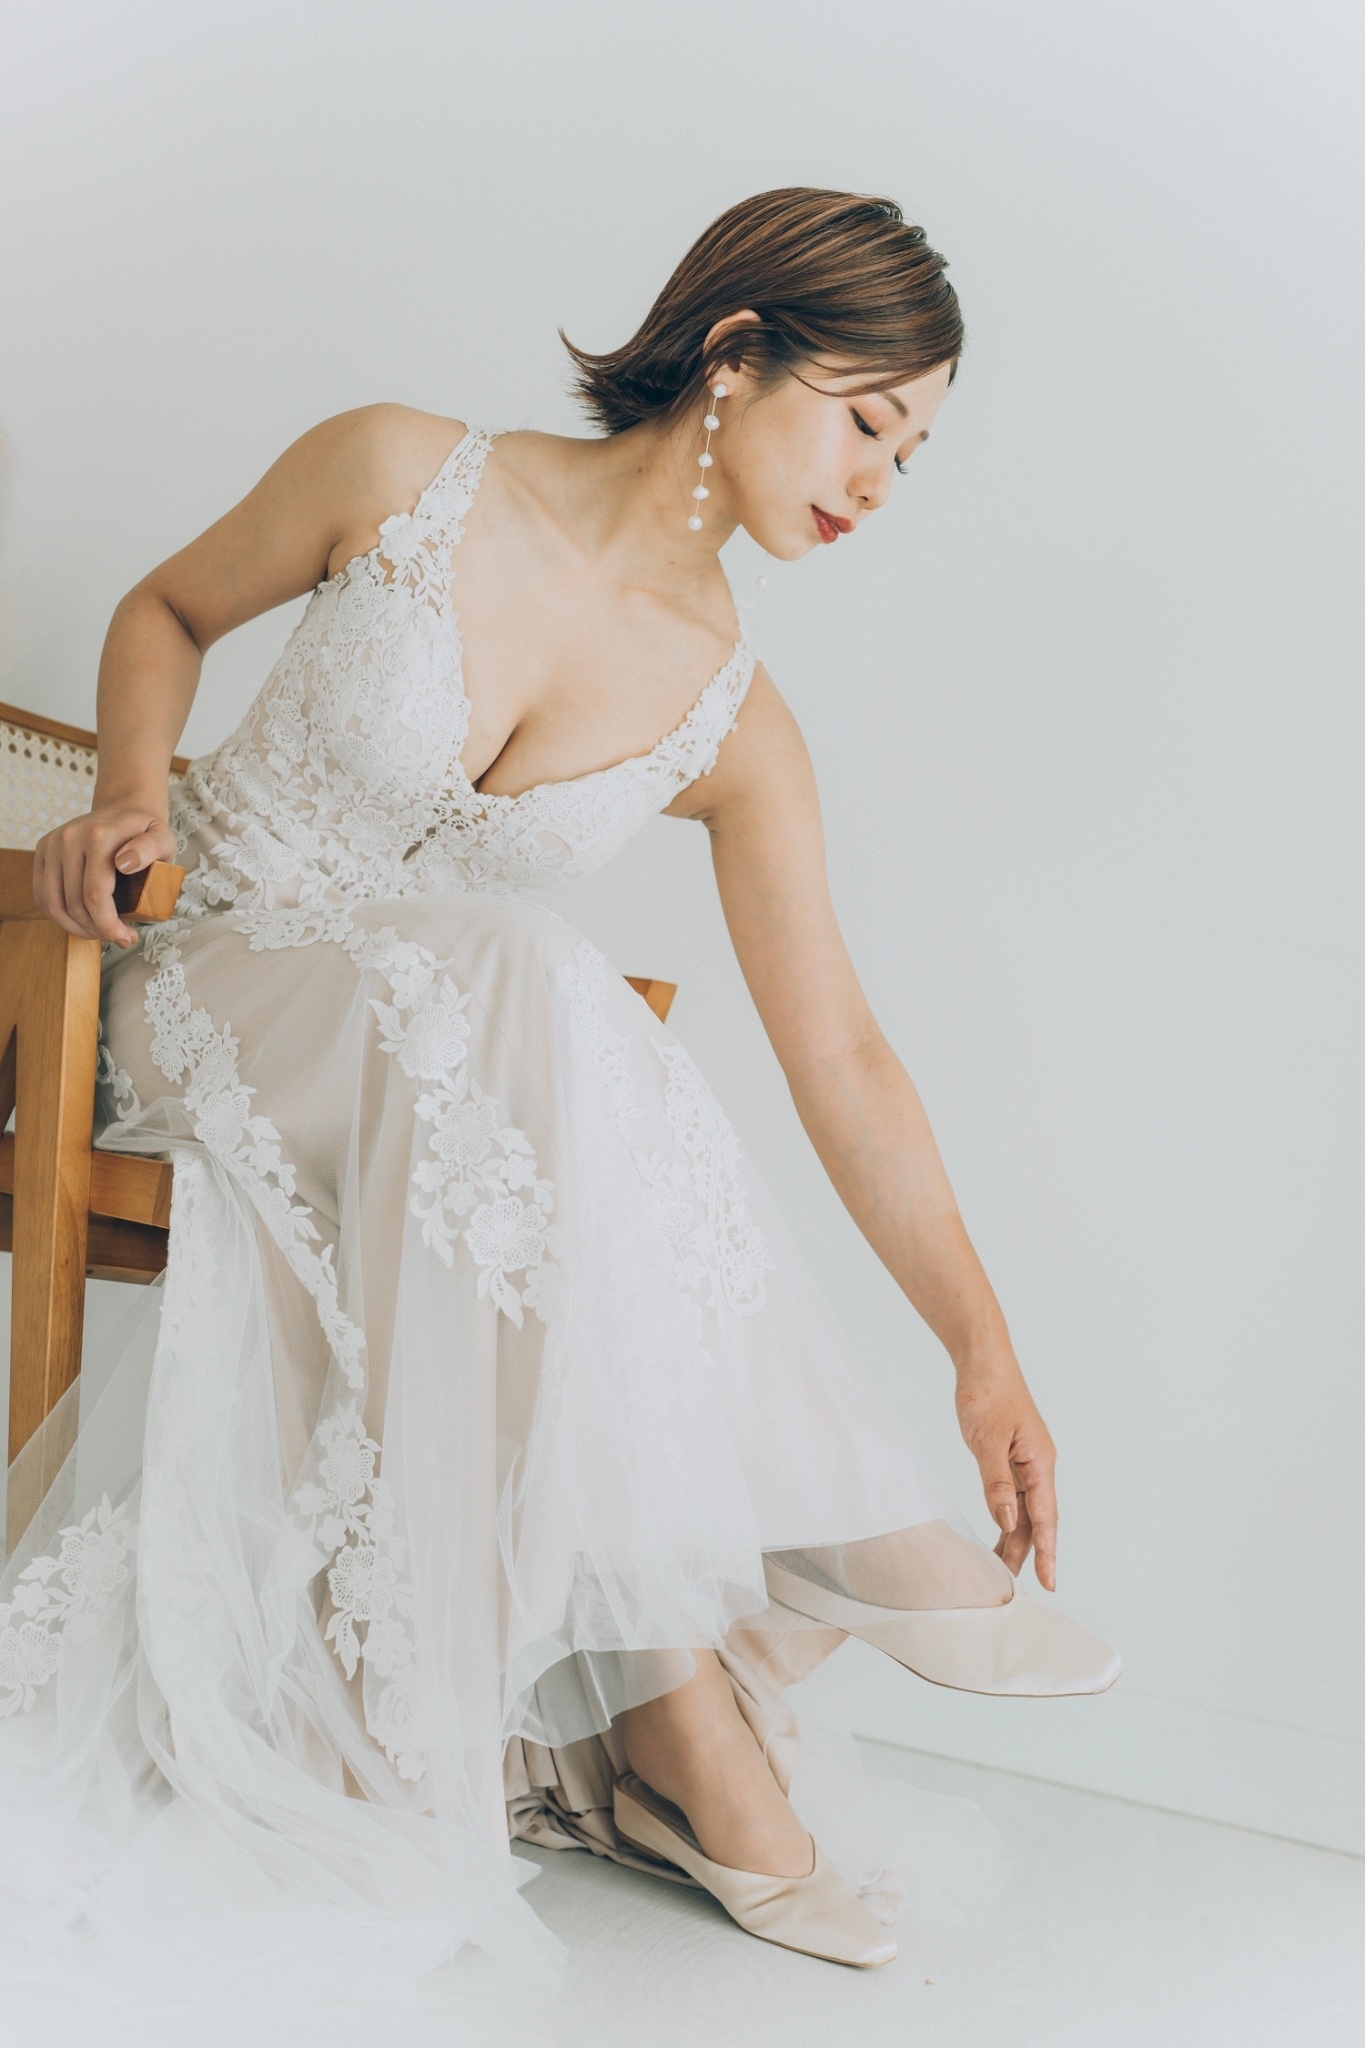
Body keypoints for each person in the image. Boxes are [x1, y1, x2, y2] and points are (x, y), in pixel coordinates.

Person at [10, 187, 1116, 1980]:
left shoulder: (736, 722)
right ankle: (766, 1611)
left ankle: (676, 1720)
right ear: (737, 352)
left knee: (529, 1029)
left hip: (420, 1108)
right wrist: (132, 799)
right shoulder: (400, 467)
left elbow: (841, 1055)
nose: (878, 485)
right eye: (865, 422)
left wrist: (980, 1352)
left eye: (909, 457)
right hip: (192, 1000)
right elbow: (166, 608)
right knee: (529, 967)